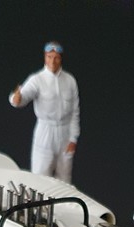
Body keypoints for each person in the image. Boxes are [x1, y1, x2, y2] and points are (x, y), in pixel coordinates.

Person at [9, 41, 80, 183]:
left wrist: (73, 138)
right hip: (45, 132)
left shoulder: (70, 81)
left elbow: (75, 111)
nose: (52, 61)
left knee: (65, 178)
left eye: (56, 58)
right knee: (40, 177)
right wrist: (16, 99)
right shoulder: (37, 79)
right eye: (49, 57)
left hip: (65, 133)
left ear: (61, 59)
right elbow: (23, 96)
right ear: (45, 57)